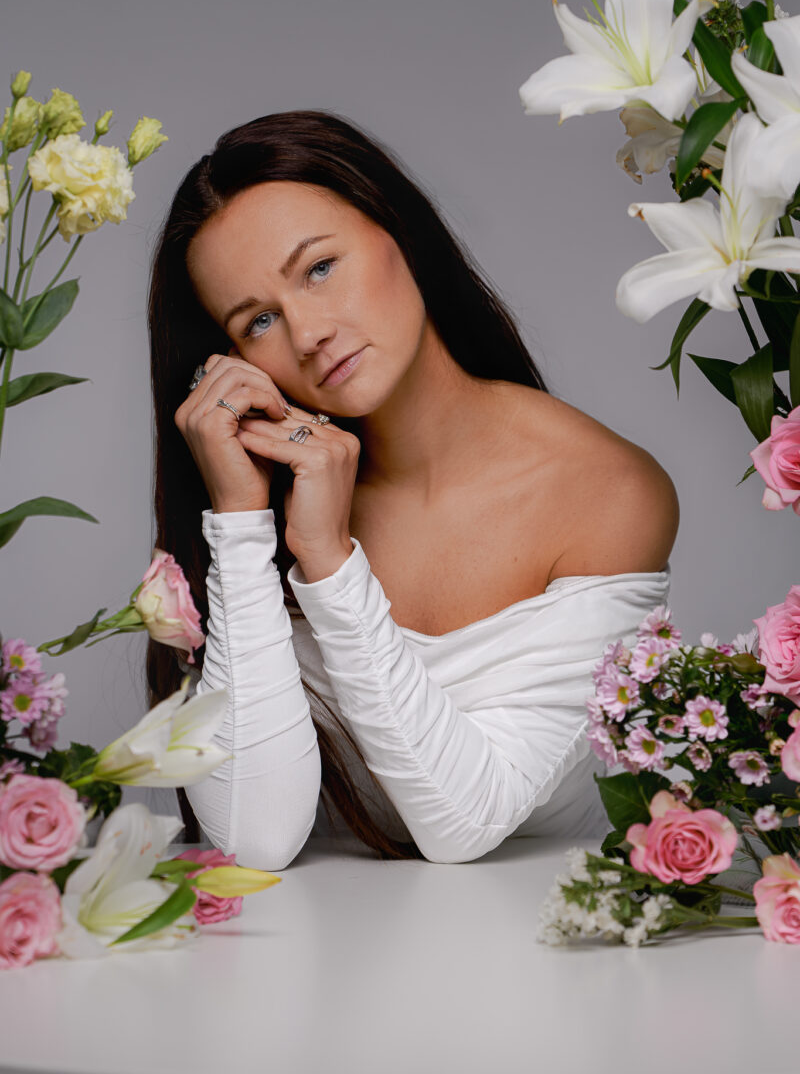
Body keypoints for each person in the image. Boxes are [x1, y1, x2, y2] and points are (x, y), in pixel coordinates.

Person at [146, 109, 678, 870]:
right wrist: (238, 521)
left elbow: (465, 822)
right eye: (259, 320)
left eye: (319, 269)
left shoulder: (607, 491)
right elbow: (254, 840)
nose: (308, 333)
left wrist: (328, 558)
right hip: (332, 939)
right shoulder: (264, 508)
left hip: (549, 929)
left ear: (400, 231)